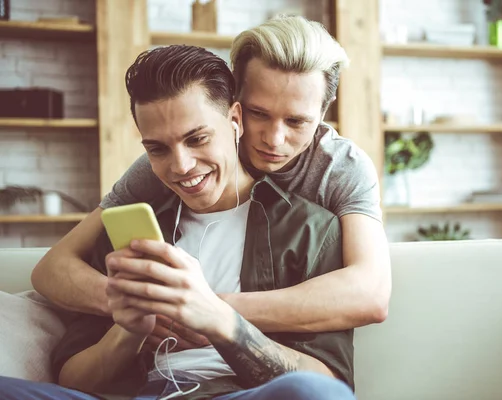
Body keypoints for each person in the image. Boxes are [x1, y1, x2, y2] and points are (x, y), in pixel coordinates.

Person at [0, 45, 354, 400]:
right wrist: (129, 331)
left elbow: (330, 384)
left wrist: (223, 323)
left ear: (235, 121)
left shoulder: (310, 230)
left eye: (197, 139)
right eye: (158, 149)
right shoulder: (129, 234)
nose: (181, 166)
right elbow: (73, 381)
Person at [31, 15, 391, 352]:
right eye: (258, 113)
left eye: (297, 121)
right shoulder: (179, 159)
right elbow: (53, 267)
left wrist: (211, 311)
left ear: (323, 114)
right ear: (234, 108)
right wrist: (142, 308)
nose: (274, 139)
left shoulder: (340, 167)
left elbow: (370, 294)